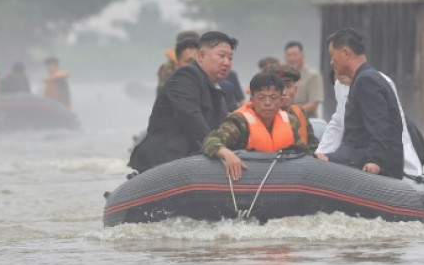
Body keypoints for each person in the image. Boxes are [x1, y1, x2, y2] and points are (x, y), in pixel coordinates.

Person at [129, 31, 237, 173]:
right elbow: (190, 116)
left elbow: (225, 124)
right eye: (221, 56)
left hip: (192, 160)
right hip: (163, 161)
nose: (227, 63)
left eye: (230, 58)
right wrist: (217, 148)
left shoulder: (216, 87)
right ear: (201, 56)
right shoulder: (185, 76)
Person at [315, 28, 404, 179]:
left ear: (345, 53)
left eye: (332, 55)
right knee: (317, 160)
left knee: (317, 165)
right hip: (354, 154)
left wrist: (375, 160)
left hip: (367, 161)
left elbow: (381, 126)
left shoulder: (366, 81)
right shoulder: (365, 78)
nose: (331, 62)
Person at [317, 70, 424, 178]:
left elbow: (392, 127)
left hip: (403, 133)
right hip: (372, 142)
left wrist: (410, 169)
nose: (340, 77)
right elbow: (338, 122)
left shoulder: (376, 81)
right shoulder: (339, 85)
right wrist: (321, 153)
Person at [203, 73, 312, 180]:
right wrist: (227, 154)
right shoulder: (240, 121)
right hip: (246, 180)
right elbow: (211, 140)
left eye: (273, 97)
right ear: (252, 100)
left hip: (280, 179)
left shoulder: (291, 122)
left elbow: (303, 152)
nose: (268, 103)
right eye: (261, 98)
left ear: (281, 100)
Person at [263, 64, 319, 149]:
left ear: (295, 89)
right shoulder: (262, 114)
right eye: (278, 87)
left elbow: (313, 143)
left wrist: (317, 153)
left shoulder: (300, 112)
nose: (284, 92)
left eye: (288, 86)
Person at [284, 41, 324, 118]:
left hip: (307, 119)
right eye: (289, 55)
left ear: (303, 56)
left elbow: (313, 104)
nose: (292, 58)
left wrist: (291, 112)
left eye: (295, 55)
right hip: (283, 119)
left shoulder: (313, 76)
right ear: (285, 58)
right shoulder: (280, 75)